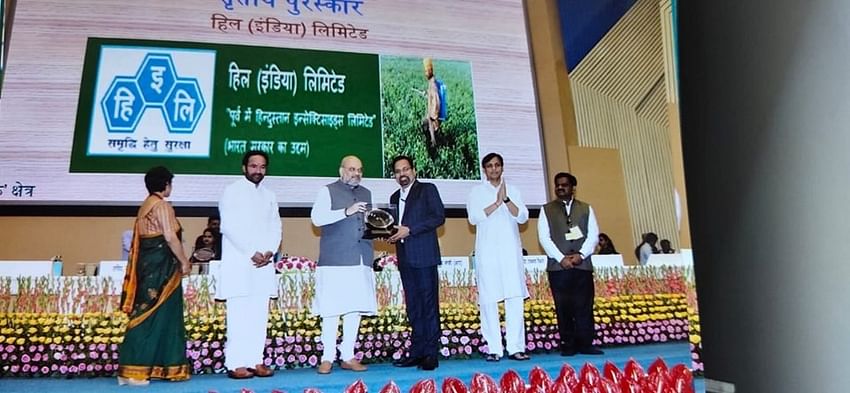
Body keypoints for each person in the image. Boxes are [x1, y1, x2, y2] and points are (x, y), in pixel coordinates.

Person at [117, 166, 191, 386]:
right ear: (166, 184)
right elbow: (169, 236)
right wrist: (184, 261)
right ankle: (135, 371)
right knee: (150, 317)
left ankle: (141, 369)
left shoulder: (145, 206)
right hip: (162, 270)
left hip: (150, 268)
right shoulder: (161, 206)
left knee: (155, 316)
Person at [217, 150, 282, 379]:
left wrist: (269, 251)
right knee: (239, 316)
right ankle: (235, 363)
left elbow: (276, 227)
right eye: (253, 166)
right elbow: (228, 226)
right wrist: (250, 252)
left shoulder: (269, 195)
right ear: (244, 167)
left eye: (262, 167)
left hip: (263, 265)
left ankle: (256, 360)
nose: (258, 170)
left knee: (258, 316)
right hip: (240, 264)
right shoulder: (232, 191)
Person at [310, 156, 377, 374]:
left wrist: (383, 227)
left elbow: (368, 223)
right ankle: (327, 357)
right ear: (341, 171)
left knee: (354, 309)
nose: (356, 173)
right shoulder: (327, 191)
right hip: (335, 260)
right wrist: (346, 211)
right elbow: (317, 219)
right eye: (351, 169)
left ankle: (348, 355)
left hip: (361, 258)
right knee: (331, 309)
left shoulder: (366, 193)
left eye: (359, 169)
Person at [465, 153, 531, 362]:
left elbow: (523, 217)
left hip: (510, 252)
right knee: (488, 300)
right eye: (489, 166)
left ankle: (516, 347)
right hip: (488, 253)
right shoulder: (476, 192)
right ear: (484, 170)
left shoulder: (514, 190)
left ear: (502, 167)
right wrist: (496, 203)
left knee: (514, 298)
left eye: (497, 165)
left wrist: (507, 200)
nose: (494, 169)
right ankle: (494, 347)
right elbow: (474, 218)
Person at [388, 155, 445, 371]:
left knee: (429, 305)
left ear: (414, 170)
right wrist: (390, 233)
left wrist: (409, 229)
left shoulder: (427, 189)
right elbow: (393, 225)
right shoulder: (394, 197)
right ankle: (417, 351)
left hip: (424, 256)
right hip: (405, 258)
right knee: (414, 307)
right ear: (394, 175)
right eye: (398, 171)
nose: (402, 174)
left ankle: (431, 353)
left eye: (406, 169)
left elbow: (438, 217)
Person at [537, 172, 604, 356]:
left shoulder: (586, 208)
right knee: (563, 306)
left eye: (564, 185)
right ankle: (568, 344)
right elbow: (544, 238)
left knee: (584, 306)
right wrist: (561, 258)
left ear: (573, 187)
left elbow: (593, 235)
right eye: (557, 185)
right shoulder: (546, 210)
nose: (560, 188)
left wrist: (581, 255)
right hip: (559, 268)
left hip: (582, 265)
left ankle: (586, 344)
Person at [421, 58, 442, 148]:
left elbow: (437, 101)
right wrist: (426, 94)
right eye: (425, 71)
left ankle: (434, 147)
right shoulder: (431, 82)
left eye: (427, 71)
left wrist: (433, 116)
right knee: (427, 127)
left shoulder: (433, 83)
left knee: (433, 134)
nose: (425, 73)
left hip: (433, 115)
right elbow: (432, 97)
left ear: (430, 71)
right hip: (431, 113)